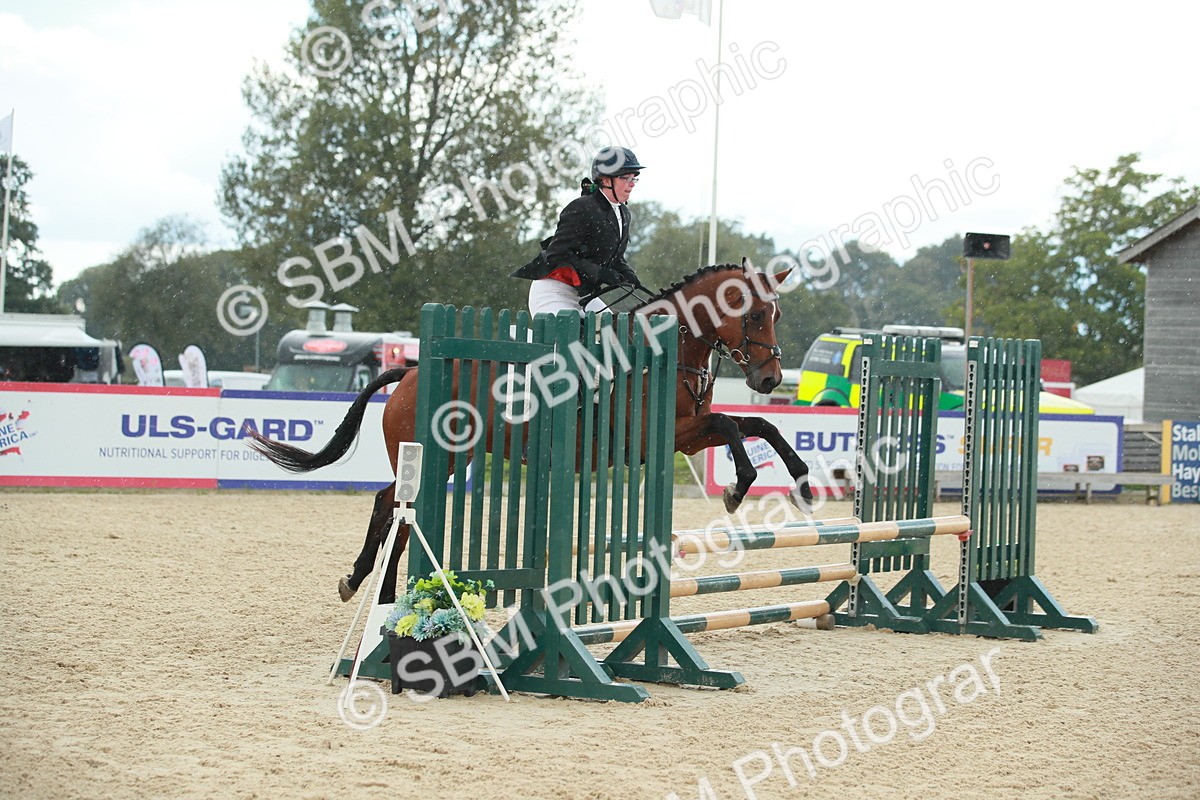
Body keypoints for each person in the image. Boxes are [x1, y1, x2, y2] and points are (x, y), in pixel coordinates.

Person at [512, 146, 648, 314]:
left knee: (612, 335)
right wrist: (599, 273)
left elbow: (614, 256)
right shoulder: (582, 207)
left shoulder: (623, 213)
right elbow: (557, 254)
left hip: (584, 295)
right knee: (569, 338)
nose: (631, 184)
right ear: (605, 180)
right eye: (625, 178)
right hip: (554, 290)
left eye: (634, 178)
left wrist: (627, 273)